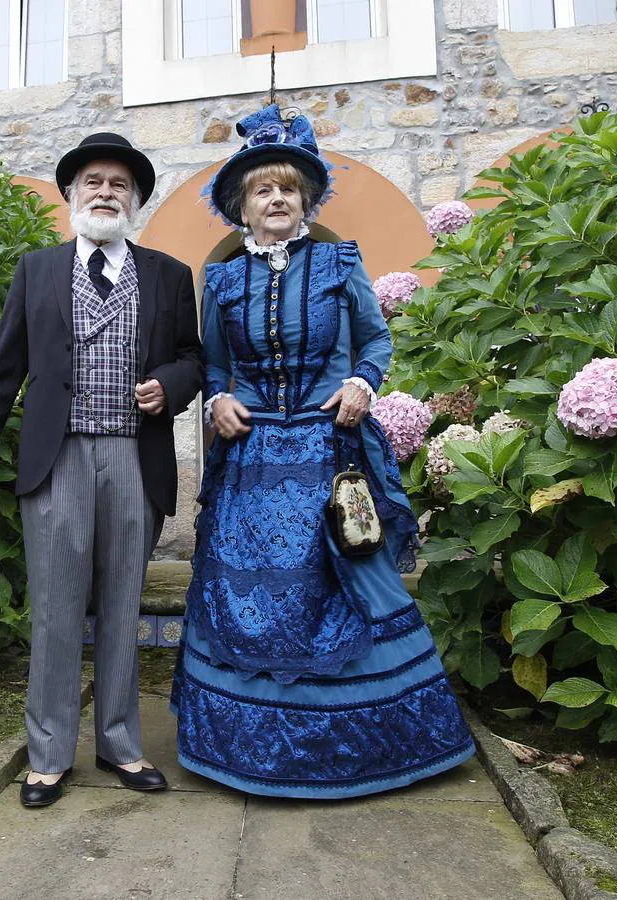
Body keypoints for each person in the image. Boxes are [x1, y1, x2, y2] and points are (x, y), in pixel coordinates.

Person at [171, 105, 476, 798]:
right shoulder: (221, 282)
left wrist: (365, 382)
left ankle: (374, 746)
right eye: (261, 190)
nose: (276, 200)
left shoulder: (339, 262)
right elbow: (215, 365)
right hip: (251, 459)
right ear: (239, 207)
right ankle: (248, 749)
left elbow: (375, 340)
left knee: (345, 583)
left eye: (287, 189)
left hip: (325, 451)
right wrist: (218, 400)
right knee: (246, 592)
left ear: (305, 201)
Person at [0, 133, 205, 808]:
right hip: (56, 458)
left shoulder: (170, 275)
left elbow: (192, 358)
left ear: (136, 200)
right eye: (92, 180)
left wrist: (169, 386)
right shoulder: (36, 270)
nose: (105, 192)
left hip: (133, 457)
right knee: (58, 610)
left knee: (122, 605)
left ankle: (120, 743)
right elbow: (6, 365)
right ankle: (50, 753)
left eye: (120, 184)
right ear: (70, 194)